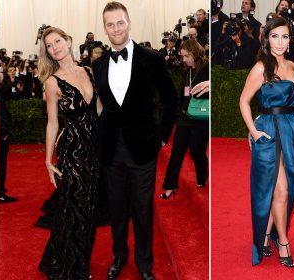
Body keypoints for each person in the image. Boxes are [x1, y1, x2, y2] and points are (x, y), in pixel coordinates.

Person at [91, 2, 177, 279]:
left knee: (142, 211)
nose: (115, 28)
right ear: (104, 29)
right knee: (116, 209)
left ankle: (145, 265)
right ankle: (119, 256)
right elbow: (101, 105)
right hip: (110, 149)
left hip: (143, 147)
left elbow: (171, 100)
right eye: (110, 24)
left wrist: (162, 137)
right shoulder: (98, 64)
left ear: (128, 24)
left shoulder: (151, 58)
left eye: (120, 23)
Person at [36, 26, 100, 280]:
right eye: (49, 46)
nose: (55, 47)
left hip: (94, 147)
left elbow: (100, 109)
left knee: (90, 209)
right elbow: (52, 123)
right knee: (75, 209)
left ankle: (58, 257)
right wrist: (47, 160)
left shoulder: (90, 71)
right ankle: (74, 270)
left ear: (69, 40)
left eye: (57, 41)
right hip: (72, 150)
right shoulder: (52, 81)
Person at [239, 17, 294, 268]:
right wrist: (254, 131)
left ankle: (266, 234)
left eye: (284, 36)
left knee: (286, 189)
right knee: (280, 189)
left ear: (290, 40)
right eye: (274, 36)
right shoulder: (261, 67)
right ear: (266, 38)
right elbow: (244, 101)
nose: (279, 41)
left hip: (293, 131)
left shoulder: (292, 64)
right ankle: (283, 240)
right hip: (270, 132)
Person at [160, 39, 209, 199]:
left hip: (201, 118)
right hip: (184, 117)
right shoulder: (187, 70)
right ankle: (169, 186)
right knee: (176, 152)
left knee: (196, 152)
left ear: (195, 53)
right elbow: (183, 94)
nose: (184, 59)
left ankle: (202, 176)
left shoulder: (207, 68)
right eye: (182, 56)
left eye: (186, 56)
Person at [0, 65, 17, 203]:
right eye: (1, 72)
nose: (2, 75)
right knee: (1, 163)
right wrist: (4, 133)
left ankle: (0, 189)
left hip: (1, 132)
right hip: (1, 134)